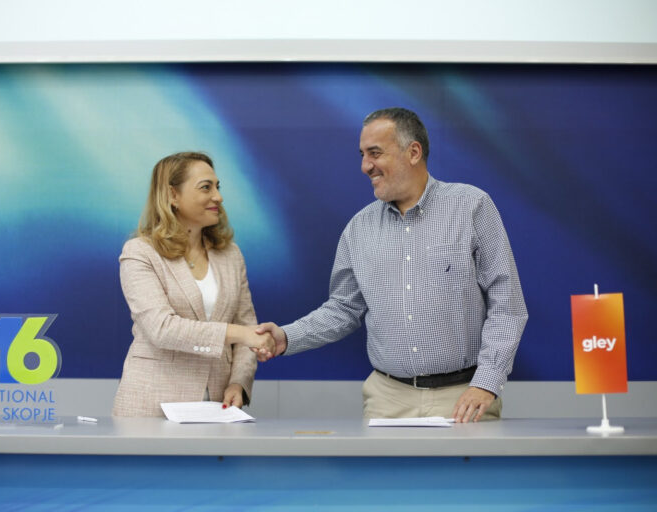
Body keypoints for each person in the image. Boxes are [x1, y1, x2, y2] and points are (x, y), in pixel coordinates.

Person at [256, 108, 528, 423]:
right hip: (387, 400)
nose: (365, 166)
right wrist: (286, 337)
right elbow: (343, 309)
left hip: (464, 397)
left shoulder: (471, 207)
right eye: (362, 155)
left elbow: (507, 305)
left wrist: (486, 383)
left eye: (375, 153)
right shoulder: (359, 228)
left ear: (413, 152)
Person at [112, 151, 274, 417]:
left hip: (217, 408)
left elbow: (247, 326)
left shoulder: (231, 255)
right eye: (206, 187)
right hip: (150, 409)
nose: (218, 197)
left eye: (218, 187)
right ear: (172, 195)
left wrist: (239, 382)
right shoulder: (140, 252)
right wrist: (239, 333)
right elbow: (162, 329)